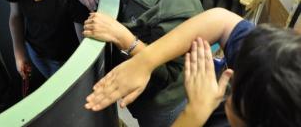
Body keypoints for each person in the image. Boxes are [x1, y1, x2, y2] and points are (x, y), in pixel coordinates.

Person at [84, 8, 301, 127]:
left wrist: (193, 113)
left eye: (235, 90)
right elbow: (221, 20)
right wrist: (145, 61)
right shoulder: (275, 61)